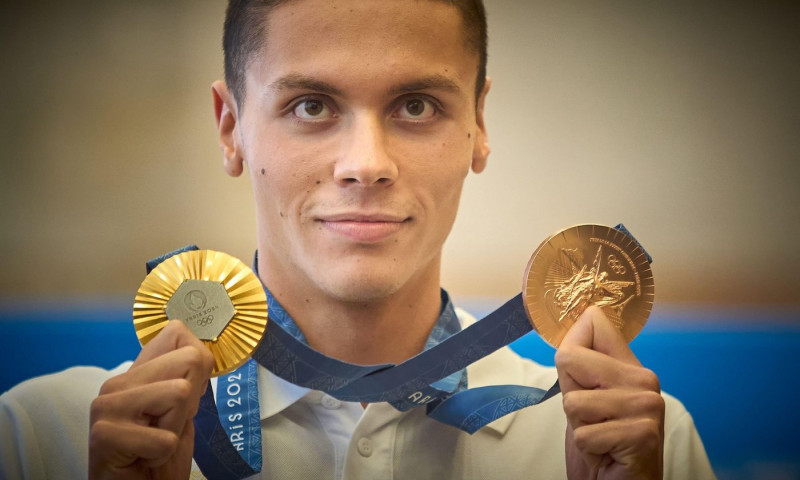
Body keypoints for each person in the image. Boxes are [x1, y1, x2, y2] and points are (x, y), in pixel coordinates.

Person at [0, 0, 717, 478]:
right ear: (231, 128)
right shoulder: (41, 438)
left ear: (479, 124)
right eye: (311, 105)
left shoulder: (634, 442)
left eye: (416, 105)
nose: (366, 164)